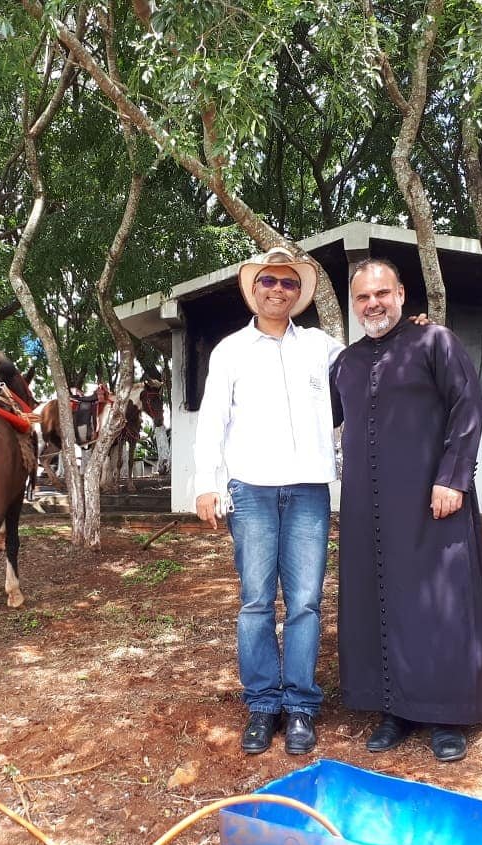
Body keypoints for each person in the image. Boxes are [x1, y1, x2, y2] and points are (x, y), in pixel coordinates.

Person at [330, 258, 482, 762]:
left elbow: (468, 405)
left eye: (382, 293)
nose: (373, 304)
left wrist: (453, 477)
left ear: (402, 294)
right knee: (379, 601)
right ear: (353, 304)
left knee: (441, 603)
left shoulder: (435, 342)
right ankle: (395, 710)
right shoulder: (344, 363)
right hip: (367, 507)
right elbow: (317, 417)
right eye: (363, 297)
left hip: (433, 499)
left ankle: (449, 714)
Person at [194, 247, 344, 756]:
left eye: (288, 283)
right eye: (269, 281)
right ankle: (262, 704)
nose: (278, 289)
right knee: (256, 601)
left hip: (308, 490)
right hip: (251, 490)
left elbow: (373, 364)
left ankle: (300, 706)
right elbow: (212, 420)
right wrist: (206, 483)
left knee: (304, 602)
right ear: (254, 289)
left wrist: (412, 332)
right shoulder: (230, 350)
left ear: (298, 294)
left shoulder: (322, 347)